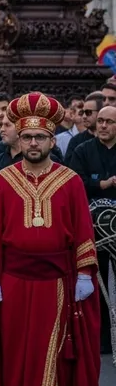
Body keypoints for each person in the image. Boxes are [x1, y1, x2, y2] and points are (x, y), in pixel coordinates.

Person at [0, 92, 111, 386]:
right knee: (17, 349)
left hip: (58, 280)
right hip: (13, 279)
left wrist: (87, 274)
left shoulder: (71, 181)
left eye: (40, 137)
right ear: (18, 137)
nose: (33, 143)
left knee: (58, 348)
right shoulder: (3, 180)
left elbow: (82, 233)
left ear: (51, 140)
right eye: (27, 136)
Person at [69, 105, 116, 355]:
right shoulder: (82, 150)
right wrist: (102, 183)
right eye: (100, 121)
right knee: (96, 285)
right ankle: (99, 339)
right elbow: (74, 182)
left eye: (109, 122)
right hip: (93, 228)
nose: (103, 126)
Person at [66, 92, 104, 164]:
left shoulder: (110, 139)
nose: (84, 116)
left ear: (101, 112)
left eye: (88, 112)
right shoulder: (75, 141)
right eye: (82, 112)